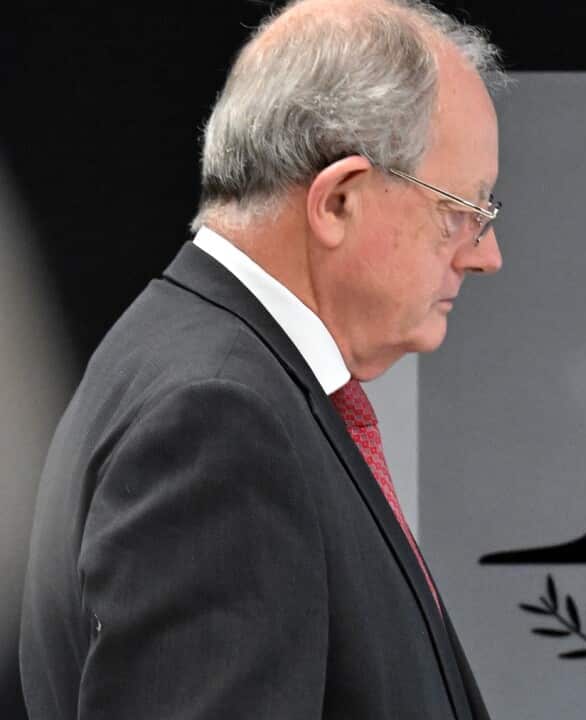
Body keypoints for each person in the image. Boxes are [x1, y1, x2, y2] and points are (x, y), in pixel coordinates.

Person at [19, 0, 505, 717]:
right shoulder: (216, 419)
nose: (486, 255)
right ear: (338, 201)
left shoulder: (201, 372)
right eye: (461, 211)